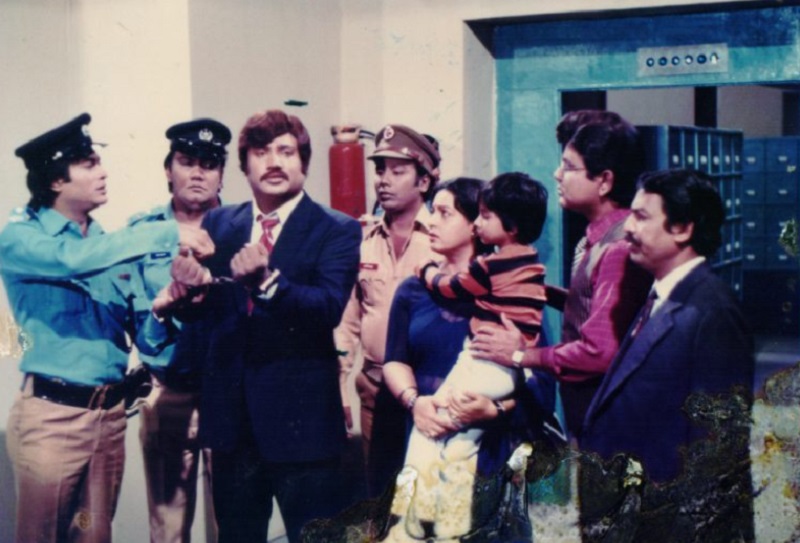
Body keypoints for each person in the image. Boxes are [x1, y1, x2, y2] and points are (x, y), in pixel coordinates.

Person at [0, 113, 214, 543]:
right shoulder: (21, 237)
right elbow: (69, 261)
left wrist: (163, 310)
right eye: (89, 164)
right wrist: (168, 232)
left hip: (109, 418)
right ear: (56, 181)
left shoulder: (105, 245)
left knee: (93, 535)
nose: (103, 172)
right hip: (53, 419)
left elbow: (142, 337)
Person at [162, 109, 361, 543]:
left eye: (286, 152)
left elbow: (328, 307)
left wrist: (268, 283)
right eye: (261, 152)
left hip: (303, 429)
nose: (273, 162)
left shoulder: (336, 229)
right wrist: (190, 294)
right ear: (244, 166)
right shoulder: (221, 223)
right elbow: (211, 315)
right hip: (232, 427)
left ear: (304, 163)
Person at [580, 169, 754, 540]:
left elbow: (717, 457)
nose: (628, 228)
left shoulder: (711, 311)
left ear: (682, 229)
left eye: (642, 217)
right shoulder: (661, 298)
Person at [382, 177, 550, 541]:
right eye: (432, 211)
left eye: (444, 213)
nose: (431, 221)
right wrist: (414, 402)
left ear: (476, 222)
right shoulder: (412, 290)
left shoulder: (508, 286)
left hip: (494, 447)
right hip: (429, 428)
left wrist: (494, 410)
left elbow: (542, 383)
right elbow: (394, 359)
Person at [471, 117, 651, 438]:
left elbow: (599, 351)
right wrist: (534, 289)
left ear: (604, 181)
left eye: (568, 166)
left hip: (603, 416)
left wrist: (521, 355)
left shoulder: (617, 246)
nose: (557, 174)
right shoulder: (599, 238)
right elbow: (596, 307)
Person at [129, 118, 231, 543]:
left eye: (209, 164)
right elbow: (136, 322)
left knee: (235, 523)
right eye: (187, 161)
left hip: (230, 392)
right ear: (168, 169)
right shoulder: (142, 232)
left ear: (222, 173)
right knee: (168, 527)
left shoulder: (243, 227)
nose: (197, 173)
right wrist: (162, 312)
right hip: (169, 389)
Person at [408, 172, 548, 467]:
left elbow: (450, 286)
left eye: (484, 216)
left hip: (486, 368)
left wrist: (425, 270)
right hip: (497, 371)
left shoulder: (491, 267)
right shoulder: (532, 264)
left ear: (511, 225)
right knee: (451, 440)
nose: (478, 224)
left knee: (434, 435)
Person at [334, 124, 440, 497]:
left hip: (429, 391)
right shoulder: (363, 240)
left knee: (430, 497)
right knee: (381, 495)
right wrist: (339, 387)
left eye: (398, 171)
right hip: (374, 389)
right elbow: (348, 320)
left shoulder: (442, 239)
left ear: (424, 181)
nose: (383, 180)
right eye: (380, 170)